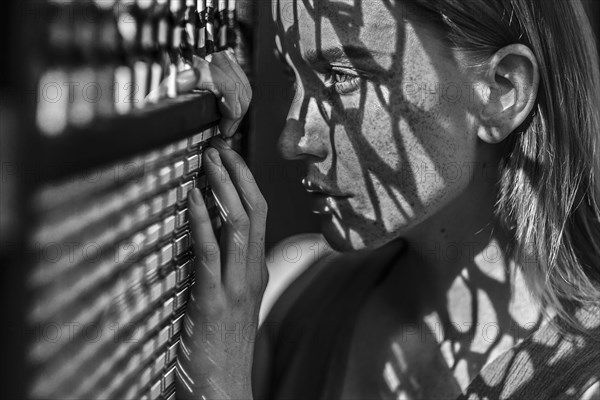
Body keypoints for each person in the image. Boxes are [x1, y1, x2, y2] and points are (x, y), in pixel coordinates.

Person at [174, 0, 600, 399]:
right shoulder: (288, 292)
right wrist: (179, 119)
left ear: (501, 92)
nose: (293, 141)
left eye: (343, 77)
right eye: (295, 79)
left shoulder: (581, 380)